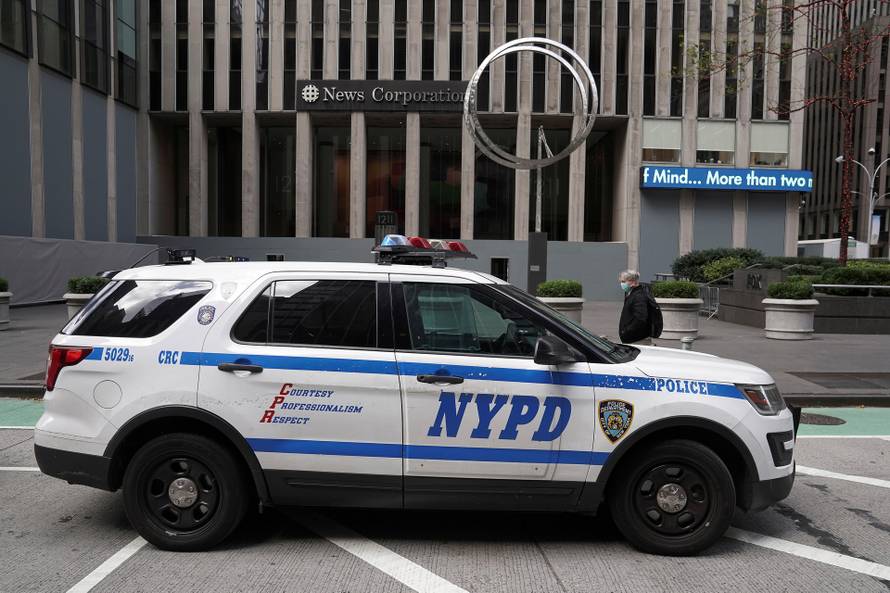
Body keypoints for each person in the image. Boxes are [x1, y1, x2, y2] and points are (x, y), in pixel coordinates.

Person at [618, 269, 651, 344]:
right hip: (632, 338)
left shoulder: (639, 296)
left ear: (632, 282)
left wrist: (627, 331)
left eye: (623, 281)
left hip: (637, 339)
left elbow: (640, 318)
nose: (621, 284)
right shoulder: (630, 293)